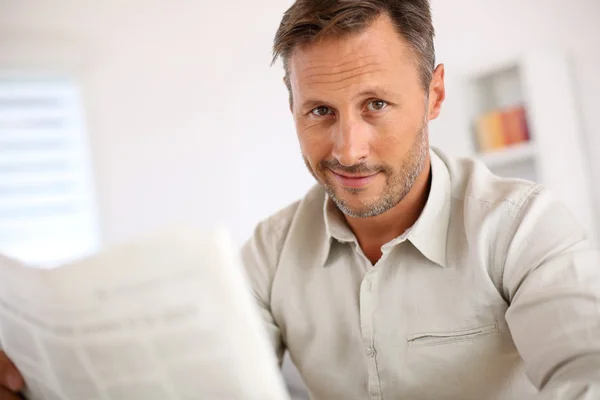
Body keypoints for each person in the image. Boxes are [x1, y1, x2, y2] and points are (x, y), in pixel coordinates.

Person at [2, 0, 600, 399]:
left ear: (434, 93)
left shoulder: (524, 228)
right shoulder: (270, 251)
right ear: (292, 107)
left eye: (376, 105)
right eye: (319, 111)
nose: (349, 148)